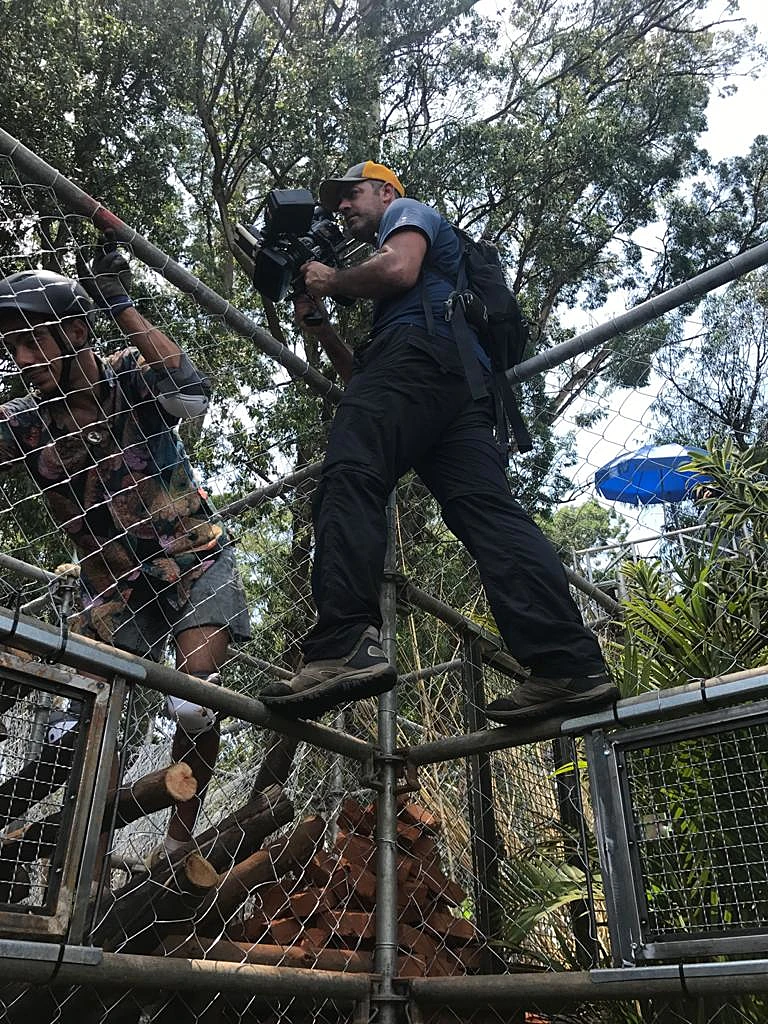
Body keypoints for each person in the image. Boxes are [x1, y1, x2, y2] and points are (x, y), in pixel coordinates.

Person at [259, 160, 618, 724]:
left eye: (352, 194)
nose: (342, 207)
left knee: (351, 474)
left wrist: (331, 279)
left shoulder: (409, 213)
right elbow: (363, 382)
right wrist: (319, 324)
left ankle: (344, 644)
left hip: (421, 365)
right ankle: (568, 664)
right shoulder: (418, 299)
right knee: (487, 512)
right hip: (456, 391)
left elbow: (398, 271)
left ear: (386, 192)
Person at [0, 247, 251, 856]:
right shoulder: (24, 423)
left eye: (33, 342)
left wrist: (120, 302)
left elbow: (192, 395)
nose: (22, 360)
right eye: (12, 347)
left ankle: (178, 845)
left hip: (193, 557)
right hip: (112, 585)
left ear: (76, 332)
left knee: (193, 700)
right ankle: (90, 860)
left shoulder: (130, 375)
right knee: (93, 713)